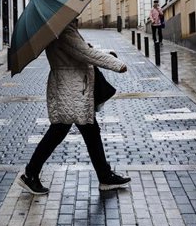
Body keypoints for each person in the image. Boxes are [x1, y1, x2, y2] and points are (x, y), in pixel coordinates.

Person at [17, 20, 131, 195]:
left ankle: (105, 176)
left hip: (72, 87)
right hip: (72, 88)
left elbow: (80, 50)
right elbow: (83, 52)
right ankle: (30, 174)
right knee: (59, 131)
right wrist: (117, 65)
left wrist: (107, 53)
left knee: (88, 131)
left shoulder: (58, 27)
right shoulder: (63, 28)